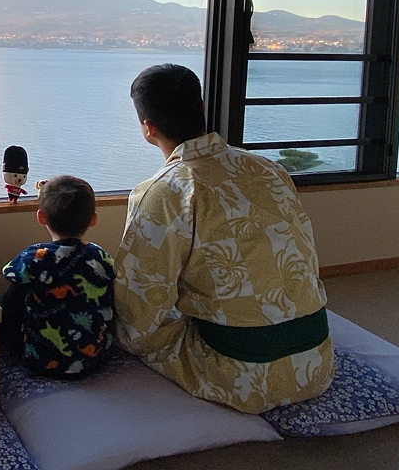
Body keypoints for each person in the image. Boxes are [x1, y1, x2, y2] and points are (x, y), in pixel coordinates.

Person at [114, 63, 334, 414]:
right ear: (201, 108)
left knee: (133, 325)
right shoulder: (269, 169)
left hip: (243, 375)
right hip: (317, 361)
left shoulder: (165, 192)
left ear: (148, 128)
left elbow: (141, 303)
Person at [0, 175, 115, 378]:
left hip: (39, 361)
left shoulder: (34, 256)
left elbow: (10, 290)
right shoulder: (101, 256)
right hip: (95, 358)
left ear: (41, 217)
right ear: (93, 219)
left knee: (5, 301)